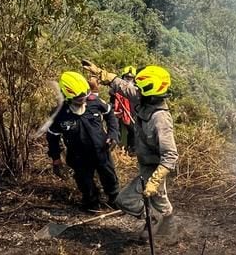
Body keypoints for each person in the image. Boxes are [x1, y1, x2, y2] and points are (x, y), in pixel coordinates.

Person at [82, 60, 178, 236]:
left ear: (150, 91)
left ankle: (153, 220)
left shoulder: (160, 120)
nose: (137, 91)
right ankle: (169, 232)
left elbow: (170, 156)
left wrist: (154, 181)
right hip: (147, 162)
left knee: (124, 200)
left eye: (141, 89)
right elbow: (126, 88)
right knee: (160, 199)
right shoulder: (146, 101)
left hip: (154, 168)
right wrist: (104, 74)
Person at [47, 71, 120, 212]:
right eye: (78, 98)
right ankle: (91, 201)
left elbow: (110, 115)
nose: (83, 100)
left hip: (101, 150)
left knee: (109, 176)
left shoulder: (94, 102)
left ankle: (115, 199)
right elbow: (52, 138)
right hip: (78, 156)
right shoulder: (59, 114)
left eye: (85, 96)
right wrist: (56, 159)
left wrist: (113, 134)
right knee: (84, 182)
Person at [111, 66, 138, 153]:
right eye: (127, 77)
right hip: (118, 112)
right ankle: (117, 149)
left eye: (131, 78)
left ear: (134, 79)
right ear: (123, 77)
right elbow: (112, 101)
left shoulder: (136, 90)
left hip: (131, 113)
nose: (128, 79)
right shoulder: (117, 87)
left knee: (133, 130)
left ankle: (132, 150)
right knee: (115, 129)